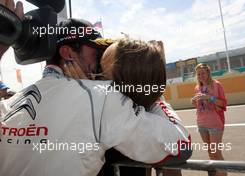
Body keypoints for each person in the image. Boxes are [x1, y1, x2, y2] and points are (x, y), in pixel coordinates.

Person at [0, 1, 191, 176]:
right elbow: (180, 145)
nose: (101, 61)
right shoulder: (103, 97)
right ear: (68, 53)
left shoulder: (8, 105)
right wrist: (154, 94)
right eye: (96, 52)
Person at [64, 39, 185, 176]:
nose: (93, 78)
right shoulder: (147, 122)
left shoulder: (142, 123)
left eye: (100, 73)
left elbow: (180, 148)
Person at [191, 63, 227, 176]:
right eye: (198, 74)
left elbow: (223, 103)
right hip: (201, 123)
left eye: (203, 73)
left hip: (215, 122)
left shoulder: (217, 85)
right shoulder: (197, 88)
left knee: (216, 152)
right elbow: (199, 106)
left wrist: (209, 97)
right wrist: (193, 102)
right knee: (210, 152)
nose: (201, 76)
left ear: (208, 73)